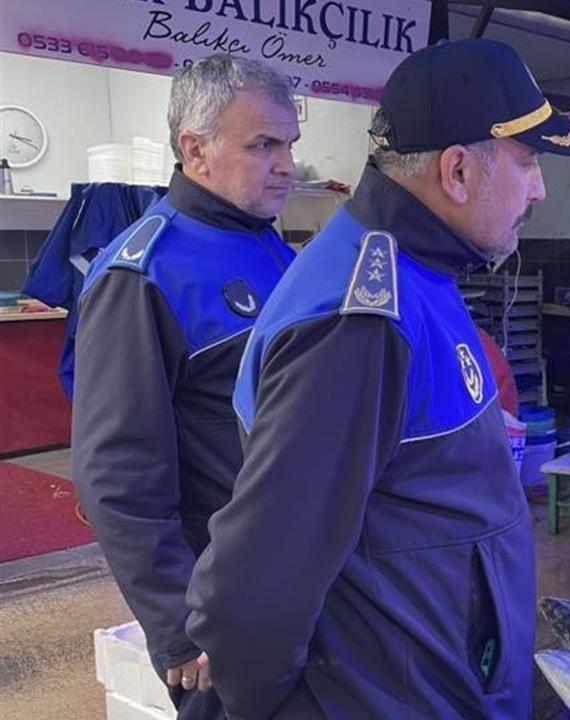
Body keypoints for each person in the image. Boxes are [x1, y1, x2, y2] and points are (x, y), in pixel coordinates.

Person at [185, 38, 570, 719]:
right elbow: (258, 585)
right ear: (457, 170)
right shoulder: (360, 323)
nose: (539, 189)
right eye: (528, 162)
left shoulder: (418, 270)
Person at [69, 55, 299, 718]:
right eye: (263, 145)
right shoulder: (143, 273)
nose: (286, 165)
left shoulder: (272, 250)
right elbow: (117, 475)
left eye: (289, 144)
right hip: (222, 610)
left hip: (296, 579)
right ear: (194, 150)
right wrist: (178, 623)